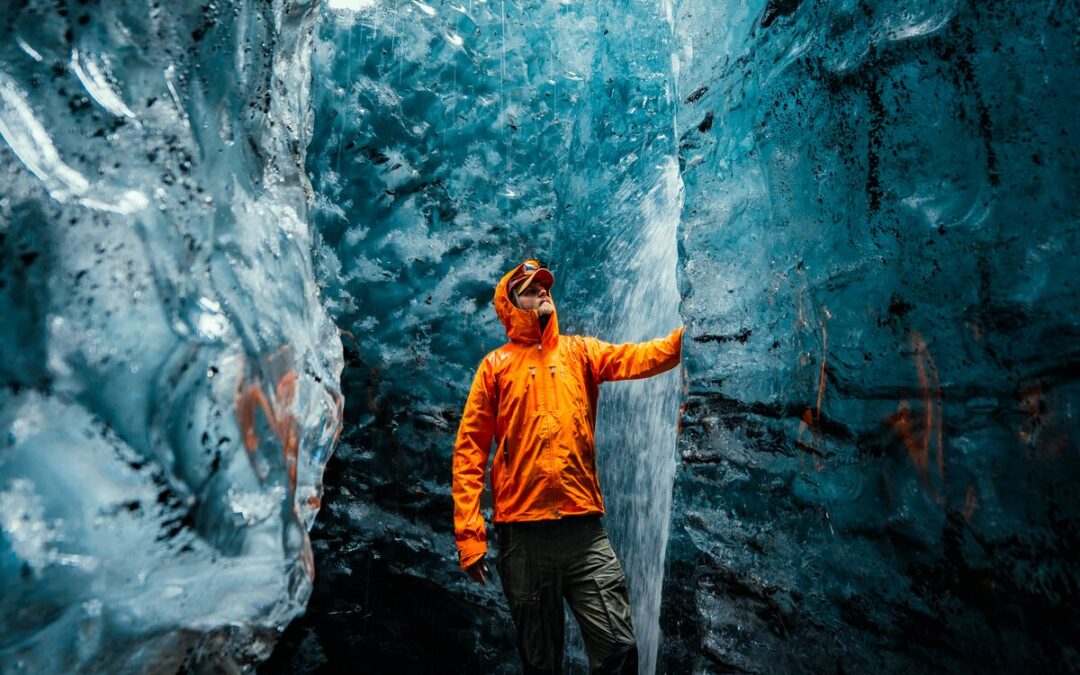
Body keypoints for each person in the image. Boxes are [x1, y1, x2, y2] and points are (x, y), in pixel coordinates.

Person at [451, 259, 683, 674]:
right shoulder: (495, 367)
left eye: (544, 285)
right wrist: (470, 537)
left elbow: (640, 357)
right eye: (530, 287)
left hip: (583, 534)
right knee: (542, 664)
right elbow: (470, 452)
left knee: (619, 648)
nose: (542, 291)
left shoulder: (580, 352)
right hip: (523, 538)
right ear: (510, 304)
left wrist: (688, 339)